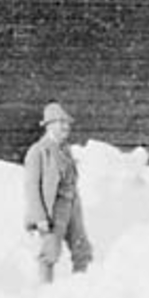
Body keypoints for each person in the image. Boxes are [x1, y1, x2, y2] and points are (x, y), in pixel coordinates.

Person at [24, 102, 93, 283]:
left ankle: (81, 289)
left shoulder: (65, 149)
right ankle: (44, 296)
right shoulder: (38, 151)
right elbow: (31, 187)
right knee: (50, 253)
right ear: (49, 125)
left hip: (71, 205)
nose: (66, 127)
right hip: (52, 209)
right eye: (61, 122)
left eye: (67, 123)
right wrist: (40, 218)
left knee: (82, 250)